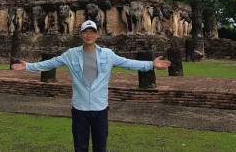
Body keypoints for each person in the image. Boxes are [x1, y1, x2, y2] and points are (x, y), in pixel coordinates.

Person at [12, 19, 171, 152]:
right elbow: (50, 63)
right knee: (80, 147)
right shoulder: (71, 54)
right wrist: (28, 66)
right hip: (79, 109)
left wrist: (151, 64)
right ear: (81, 34)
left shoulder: (107, 55)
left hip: (100, 109)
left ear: (97, 34)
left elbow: (128, 63)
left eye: (92, 32)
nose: (89, 35)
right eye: (85, 32)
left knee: (100, 147)